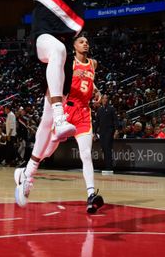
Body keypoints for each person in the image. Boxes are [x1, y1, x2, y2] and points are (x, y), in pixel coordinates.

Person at [15, 0, 92, 206]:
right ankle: (61, 116)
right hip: (44, 40)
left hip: (61, 60)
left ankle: (27, 172)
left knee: (46, 137)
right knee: (59, 52)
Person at [19, 35, 105, 214]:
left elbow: (89, 80)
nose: (85, 43)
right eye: (81, 41)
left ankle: (90, 195)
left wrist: (96, 90)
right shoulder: (68, 63)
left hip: (83, 112)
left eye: (87, 41)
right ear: (73, 46)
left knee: (86, 154)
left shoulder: (93, 63)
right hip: (67, 109)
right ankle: (26, 171)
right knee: (48, 151)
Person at [94, 94, 118, 175]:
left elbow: (115, 120)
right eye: (103, 98)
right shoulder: (99, 110)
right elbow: (97, 122)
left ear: (108, 100)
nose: (104, 100)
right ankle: (107, 166)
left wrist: (116, 130)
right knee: (104, 149)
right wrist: (94, 132)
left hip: (109, 131)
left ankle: (109, 167)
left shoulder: (111, 109)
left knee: (108, 148)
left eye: (106, 98)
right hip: (102, 132)